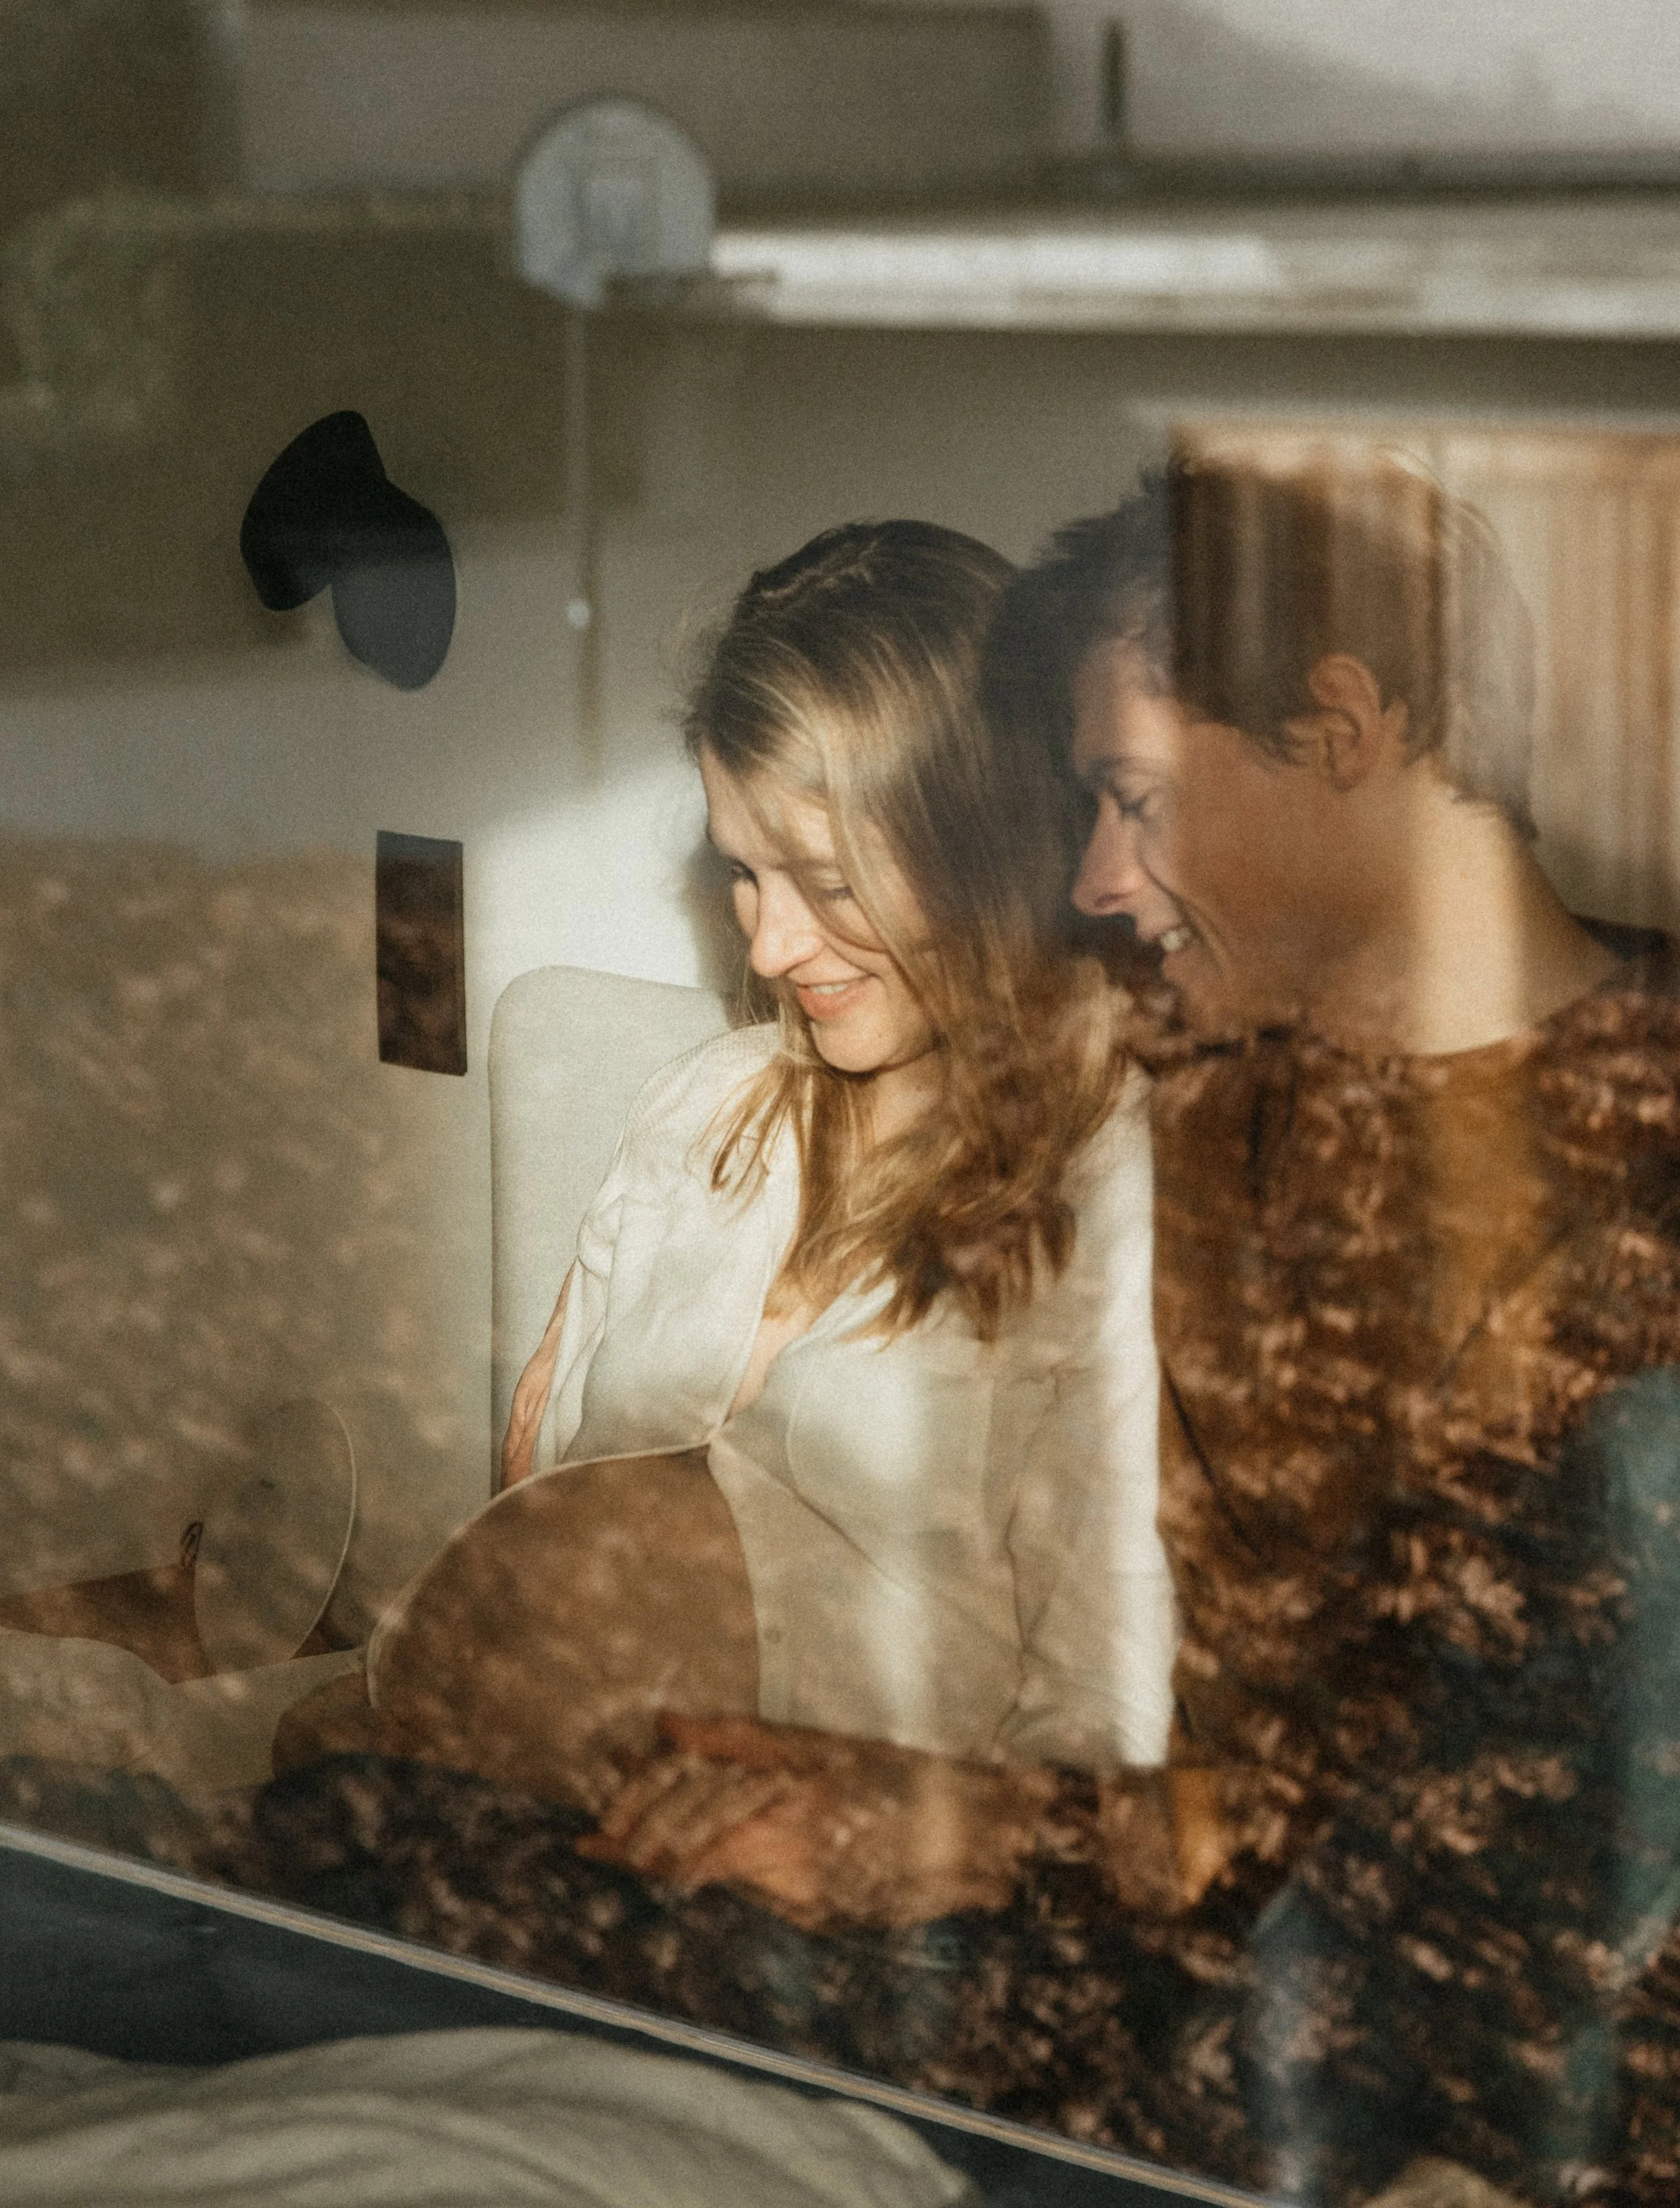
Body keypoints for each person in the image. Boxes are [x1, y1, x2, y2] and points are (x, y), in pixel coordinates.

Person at [984, 449, 1680, 2204]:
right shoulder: (1214, 1100)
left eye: (1132, 795)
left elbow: (1553, 1861)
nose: (1095, 875)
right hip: (1187, 1975)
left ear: (1342, 723)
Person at [339, 519, 1176, 1933]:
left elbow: (1105, 1703)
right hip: (453, 1797)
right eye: (739, 871)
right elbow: (542, 1488)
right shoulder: (704, 1111)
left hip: (775, 1904)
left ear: (988, 845)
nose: (770, 946)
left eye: (827, 885)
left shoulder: (1103, 1194)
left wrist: (906, 1859)